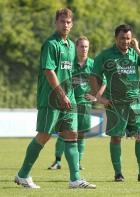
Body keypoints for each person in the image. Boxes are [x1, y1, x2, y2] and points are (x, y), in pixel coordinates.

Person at [14, 8, 96, 189]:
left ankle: (75, 179)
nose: (65, 25)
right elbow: (49, 71)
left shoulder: (70, 47)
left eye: (68, 22)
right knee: (44, 136)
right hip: (52, 99)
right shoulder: (51, 44)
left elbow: (72, 72)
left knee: (71, 136)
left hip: (70, 100)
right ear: (56, 23)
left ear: (72, 24)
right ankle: (22, 175)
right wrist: (62, 94)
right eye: (62, 22)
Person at [91, 24, 140, 182]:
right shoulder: (105, 55)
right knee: (116, 138)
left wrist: (138, 49)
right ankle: (118, 173)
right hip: (115, 104)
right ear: (115, 38)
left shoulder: (134, 54)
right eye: (122, 38)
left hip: (135, 103)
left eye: (128, 38)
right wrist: (100, 98)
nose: (125, 41)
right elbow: (93, 76)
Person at [48, 36, 106, 170]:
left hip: (85, 105)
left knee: (80, 134)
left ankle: (78, 162)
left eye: (86, 46)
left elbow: (104, 81)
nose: (84, 49)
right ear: (76, 47)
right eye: (81, 46)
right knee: (64, 132)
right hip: (68, 103)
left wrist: (96, 96)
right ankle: (57, 161)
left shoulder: (93, 64)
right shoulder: (68, 63)